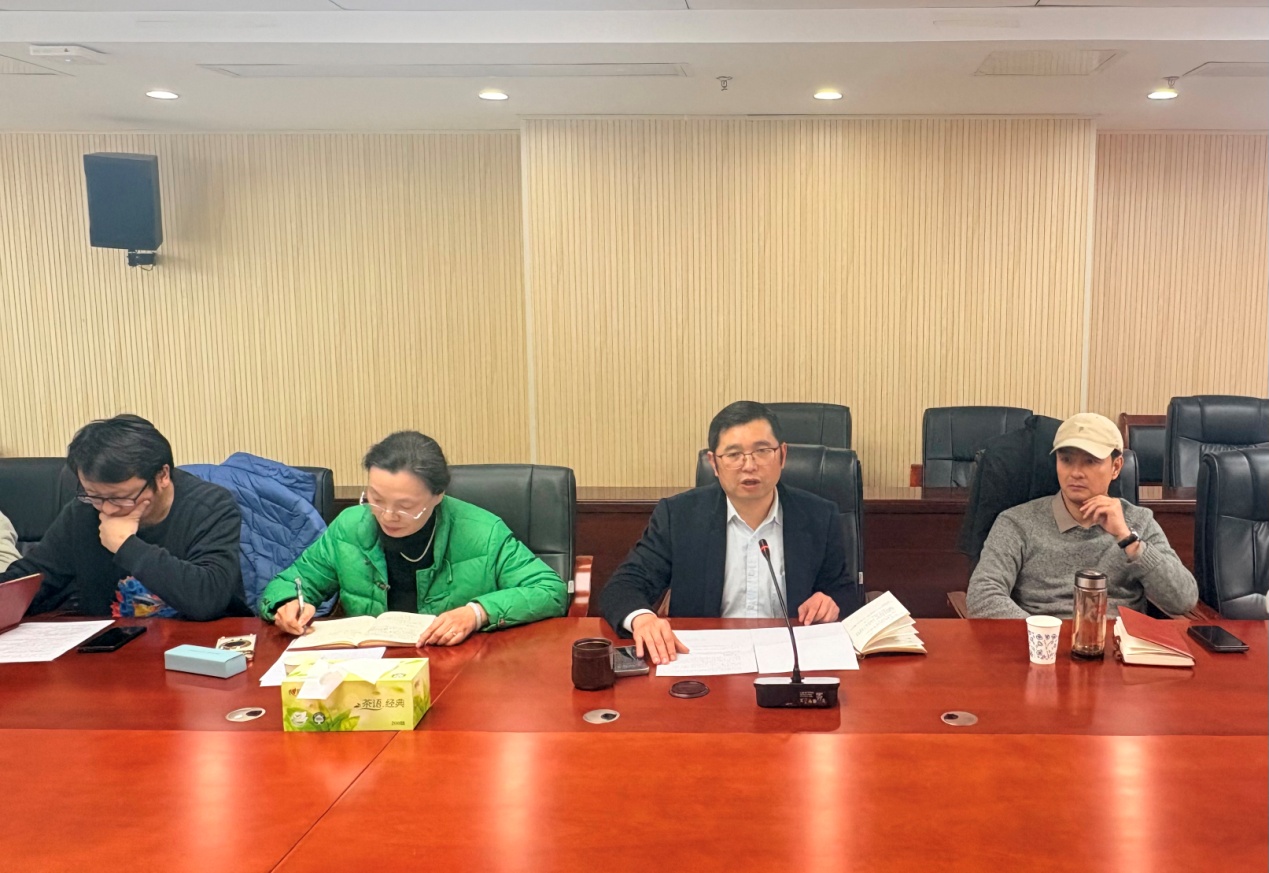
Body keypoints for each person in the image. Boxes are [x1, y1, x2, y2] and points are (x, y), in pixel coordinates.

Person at [599, 401, 858, 665]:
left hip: (792, 660)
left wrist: (831, 601)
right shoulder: (679, 516)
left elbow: (846, 592)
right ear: (714, 463)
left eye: (762, 451)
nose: (749, 465)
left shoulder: (818, 516)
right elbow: (623, 586)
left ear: (782, 455)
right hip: (705, 661)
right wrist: (643, 619)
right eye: (734, 454)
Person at [259, 431, 567, 645]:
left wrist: (476, 613)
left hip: (457, 668)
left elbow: (550, 590)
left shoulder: (482, 532)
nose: (388, 516)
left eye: (405, 507)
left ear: (438, 495)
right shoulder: (350, 527)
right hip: (371, 668)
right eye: (376, 499)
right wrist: (287, 603)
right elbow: (293, 582)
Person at [0, 415, 247, 620]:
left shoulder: (211, 507)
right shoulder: (84, 511)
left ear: (162, 476)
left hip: (204, 648)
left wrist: (127, 546)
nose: (107, 510)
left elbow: (207, 599)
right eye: (94, 495)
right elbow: (34, 576)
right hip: (113, 649)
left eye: (121, 498)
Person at [967, 412, 1198, 619]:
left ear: (1116, 467)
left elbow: (1183, 600)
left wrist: (1129, 540)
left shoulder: (1139, 522)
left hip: (1120, 644)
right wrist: (1045, 634)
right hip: (1042, 644)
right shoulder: (1017, 522)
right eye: (1066, 460)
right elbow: (983, 596)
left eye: (1090, 461)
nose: (1076, 473)